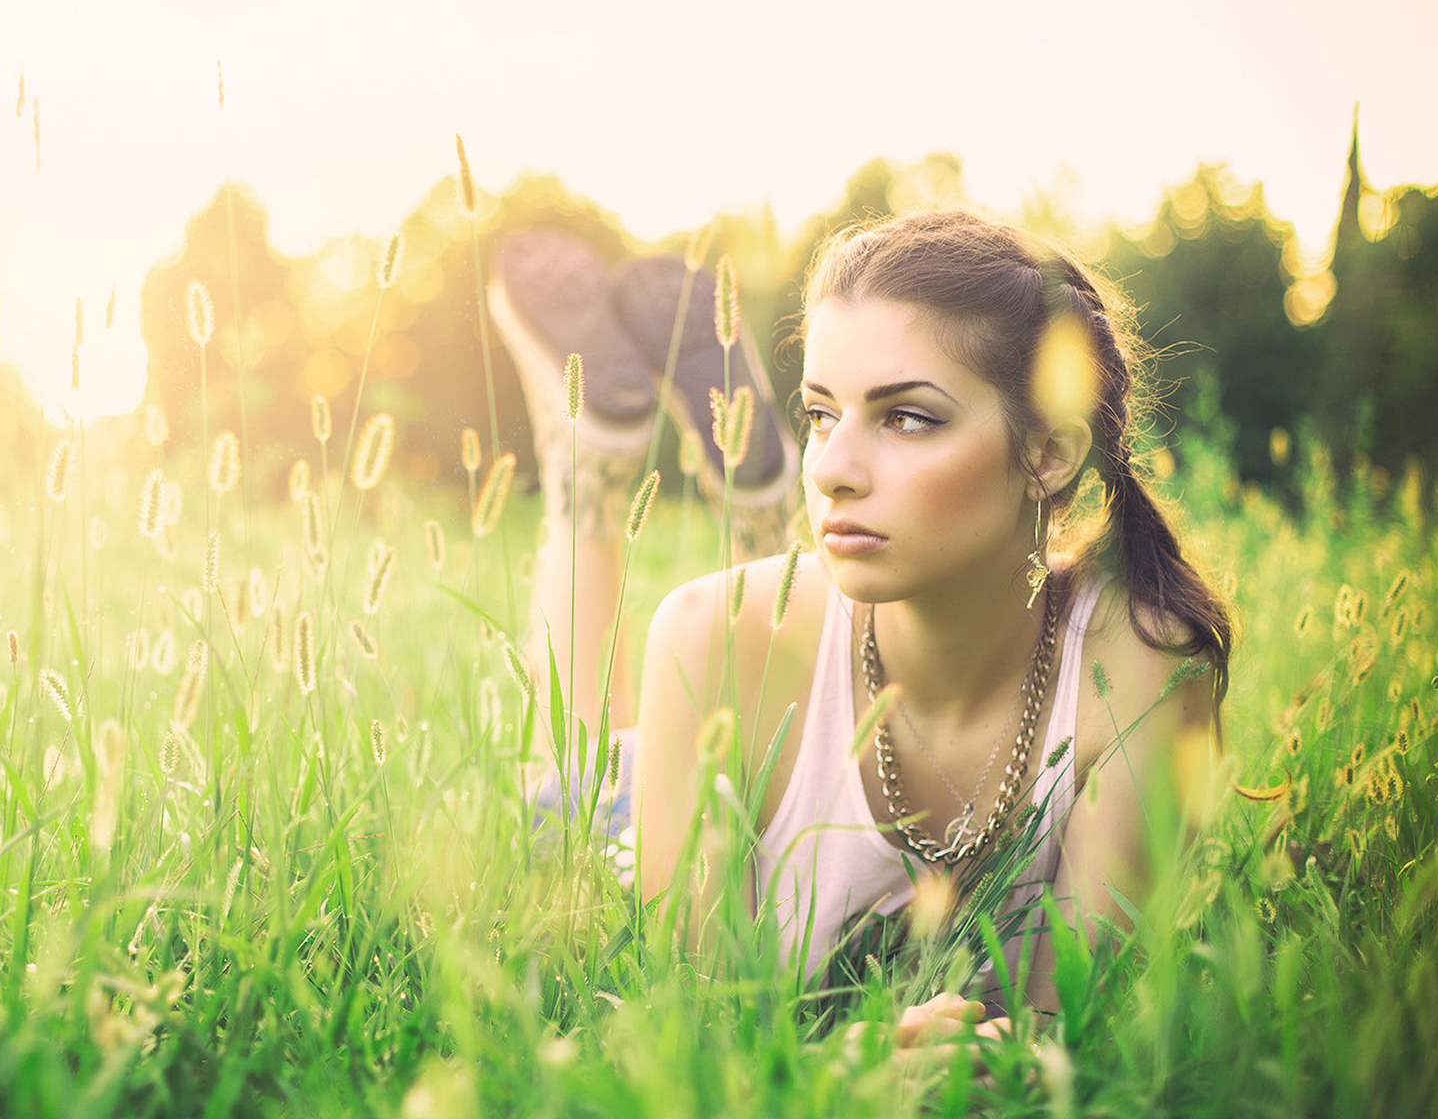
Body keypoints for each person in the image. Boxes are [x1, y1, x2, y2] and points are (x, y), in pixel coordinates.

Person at [489, 210, 1231, 1058]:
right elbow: (699, 1032)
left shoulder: (1141, 674)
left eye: (907, 417)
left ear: (1049, 455)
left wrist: (990, 1070)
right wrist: (841, 1078)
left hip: (769, 694)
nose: (833, 469)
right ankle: (586, 467)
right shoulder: (702, 638)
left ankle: (745, 505)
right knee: (575, 771)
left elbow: (1066, 1031)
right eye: (818, 416)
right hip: (636, 809)